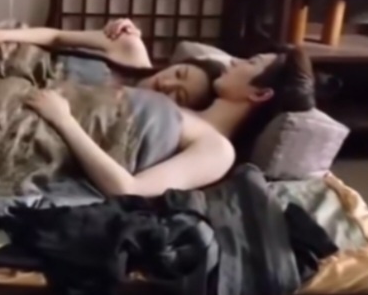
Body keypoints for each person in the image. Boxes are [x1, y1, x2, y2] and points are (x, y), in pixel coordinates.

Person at [22, 45, 315, 197]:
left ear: (260, 94)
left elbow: (128, 190)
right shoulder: (191, 106)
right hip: (46, 102)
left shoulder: (218, 149)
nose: (234, 62)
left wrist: (63, 121)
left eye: (251, 63)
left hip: (49, 125)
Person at [0, 19, 225, 110]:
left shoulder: (138, 120)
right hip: (19, 55)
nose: (166, 83)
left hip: (17, 99)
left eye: (179, 96)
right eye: (179, 73)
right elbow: (56, 36)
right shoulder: (129, 46)